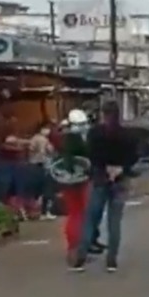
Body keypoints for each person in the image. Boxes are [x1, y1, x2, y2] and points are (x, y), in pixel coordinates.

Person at [70, 100, 138, 273]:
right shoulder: (127, 135)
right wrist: (121, 168)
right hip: (121, 179)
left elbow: (91, 154)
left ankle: (80, 257)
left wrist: (104, 167)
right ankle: (111, 261)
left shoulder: (95, 133)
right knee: (114, 221)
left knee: (91, 218)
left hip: (99, 177)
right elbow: (134, 156)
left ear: (102, 114)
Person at [54, 110, 92, 261]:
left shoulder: (62, 139)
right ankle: (79, 247)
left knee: (74, 214)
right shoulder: (77, 141)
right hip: (81, 182)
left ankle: (73, 247)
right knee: (81, 215)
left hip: (67, 182)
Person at [27, 122, 57, 220]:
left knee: (37, 190)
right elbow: (46, 152)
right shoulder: (42, 140)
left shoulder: (34, 138)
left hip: (34, 165)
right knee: (46, 189)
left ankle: (37, 212)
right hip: (42, 166)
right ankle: (44, 212)